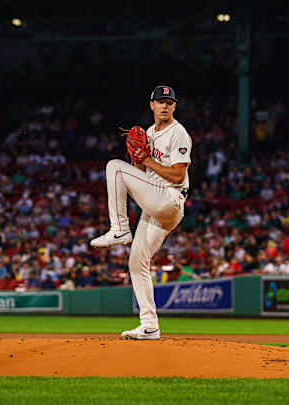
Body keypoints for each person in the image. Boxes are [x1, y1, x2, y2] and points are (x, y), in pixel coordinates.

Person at [90, 85, 191, 340]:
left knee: (114, 166)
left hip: (170, 198)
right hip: (156, 204)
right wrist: (138, 160)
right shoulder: (148, 132)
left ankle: (120, 228)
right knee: (137, 263)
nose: (165, 106)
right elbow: (144, 175)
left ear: (174, 107)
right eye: (161, 102)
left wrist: (144, 161)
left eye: (169, 102)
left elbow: (178, 174)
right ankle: (149, 326)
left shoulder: (178, 133)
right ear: (152, 106)